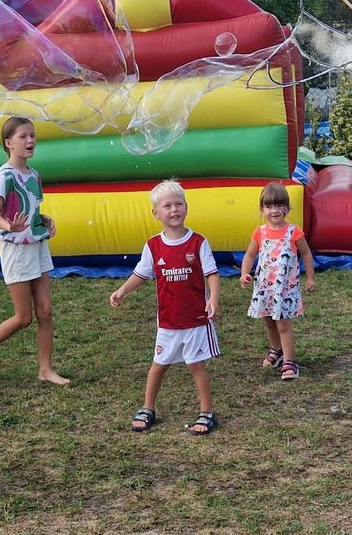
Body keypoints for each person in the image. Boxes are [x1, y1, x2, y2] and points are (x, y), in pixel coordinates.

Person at [110, 180, 221, 434]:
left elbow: (212, 274)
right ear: (156, 213)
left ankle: (207, 412)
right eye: (167, 206)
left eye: (178, 204)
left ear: (186, 207)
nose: (174, 210)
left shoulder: (198, 243)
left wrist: (213, 299)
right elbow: (141, 274)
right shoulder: (153, 246)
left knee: (196, 365)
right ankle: (148, 407)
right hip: (168, 322)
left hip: (196, 320)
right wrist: (123, 290)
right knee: (158, 365)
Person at [0, 117, 69, 386]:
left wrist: (43, 219)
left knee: (46, 311)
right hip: (16, 249)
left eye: (32, 136)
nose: (30, 141)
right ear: (8, 143)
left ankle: (45, 370)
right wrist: (9, 225)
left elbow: (28, 207)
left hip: (37, 244)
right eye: (23, 136)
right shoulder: (4, 175)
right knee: (23, 316)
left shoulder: (34, 175)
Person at [239, 182, 317, 380]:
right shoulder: (260, 232)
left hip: (284, 289)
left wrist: (310, 277)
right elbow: (249, 255)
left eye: (279, 205)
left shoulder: (294, 232)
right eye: (269, 206)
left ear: (288, 208)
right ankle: (277, 350)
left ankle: (289, 361)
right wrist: (244, 274)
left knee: (283, 324)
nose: (274, 210)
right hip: (265, 288)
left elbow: (306, 254)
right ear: (262, 209)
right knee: (269, 322)